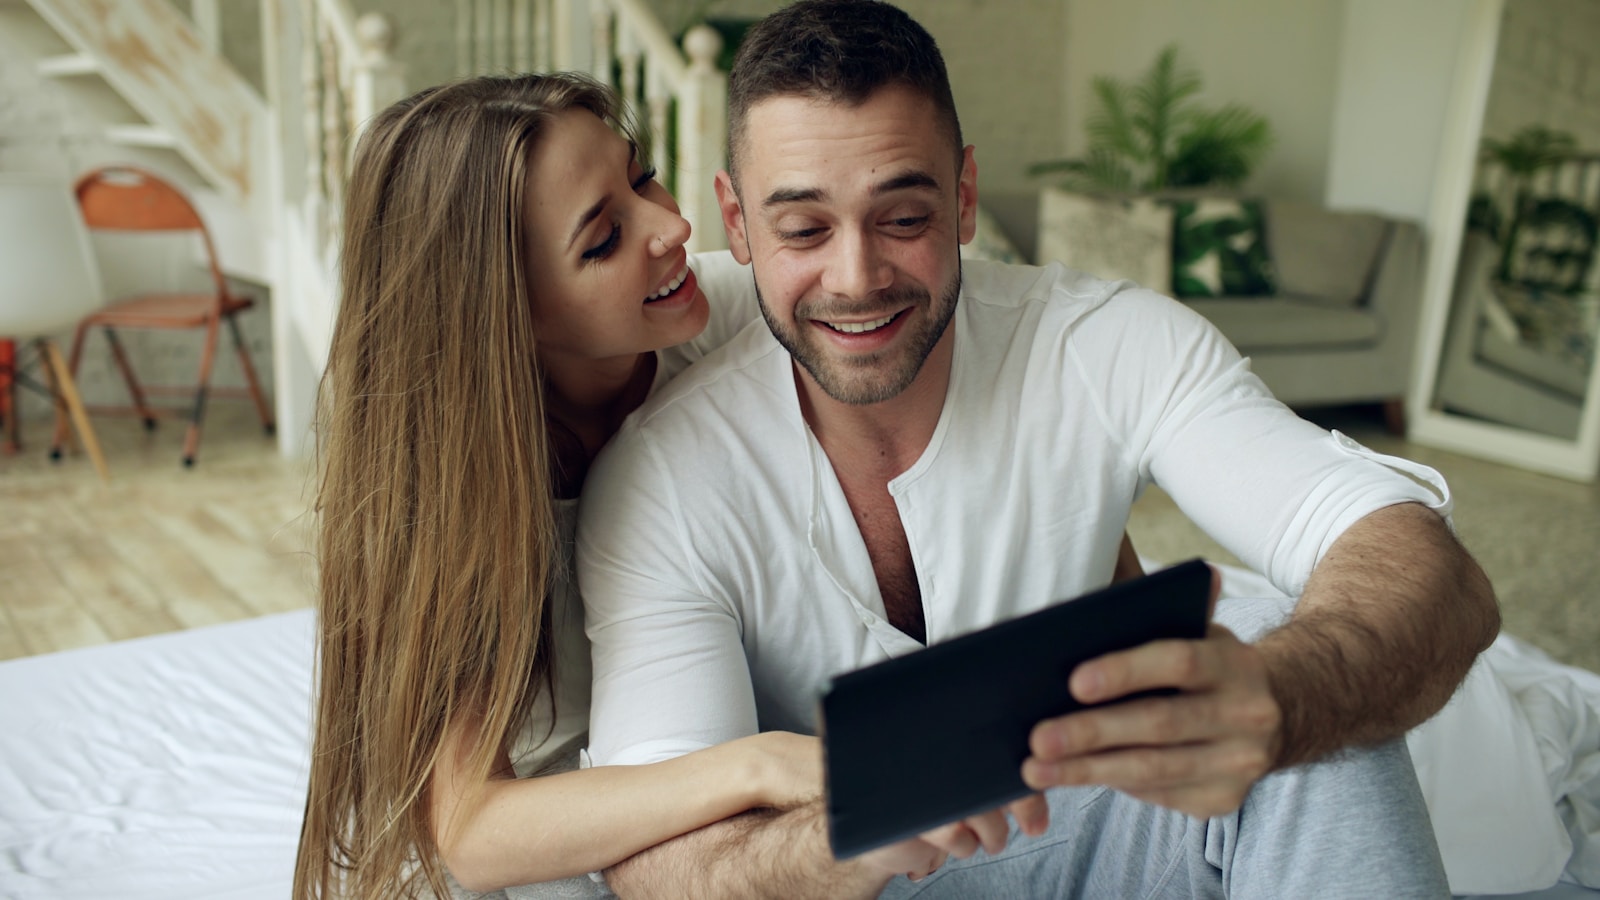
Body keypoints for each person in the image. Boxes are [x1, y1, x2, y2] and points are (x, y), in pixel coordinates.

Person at [577, 1, 1501, 897]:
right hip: (846, 879)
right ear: (736, 225)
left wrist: (1280, 699)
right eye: (804, 229)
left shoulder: (1109, 343)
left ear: (966, 197)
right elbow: (658, 861)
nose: (855, 280)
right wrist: (853, 830)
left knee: (1299, 687)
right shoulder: (661, 473)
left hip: (1105, 831)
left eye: (904, 218)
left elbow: (1420, 563)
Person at [291, 72, 827, 899]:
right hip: (553, 850)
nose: (674, 225)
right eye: (604, 239)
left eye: (641, 175)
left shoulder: (742, 323)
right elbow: (470, 829)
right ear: (504, 308)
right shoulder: (450, 490)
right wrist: (751, 767)